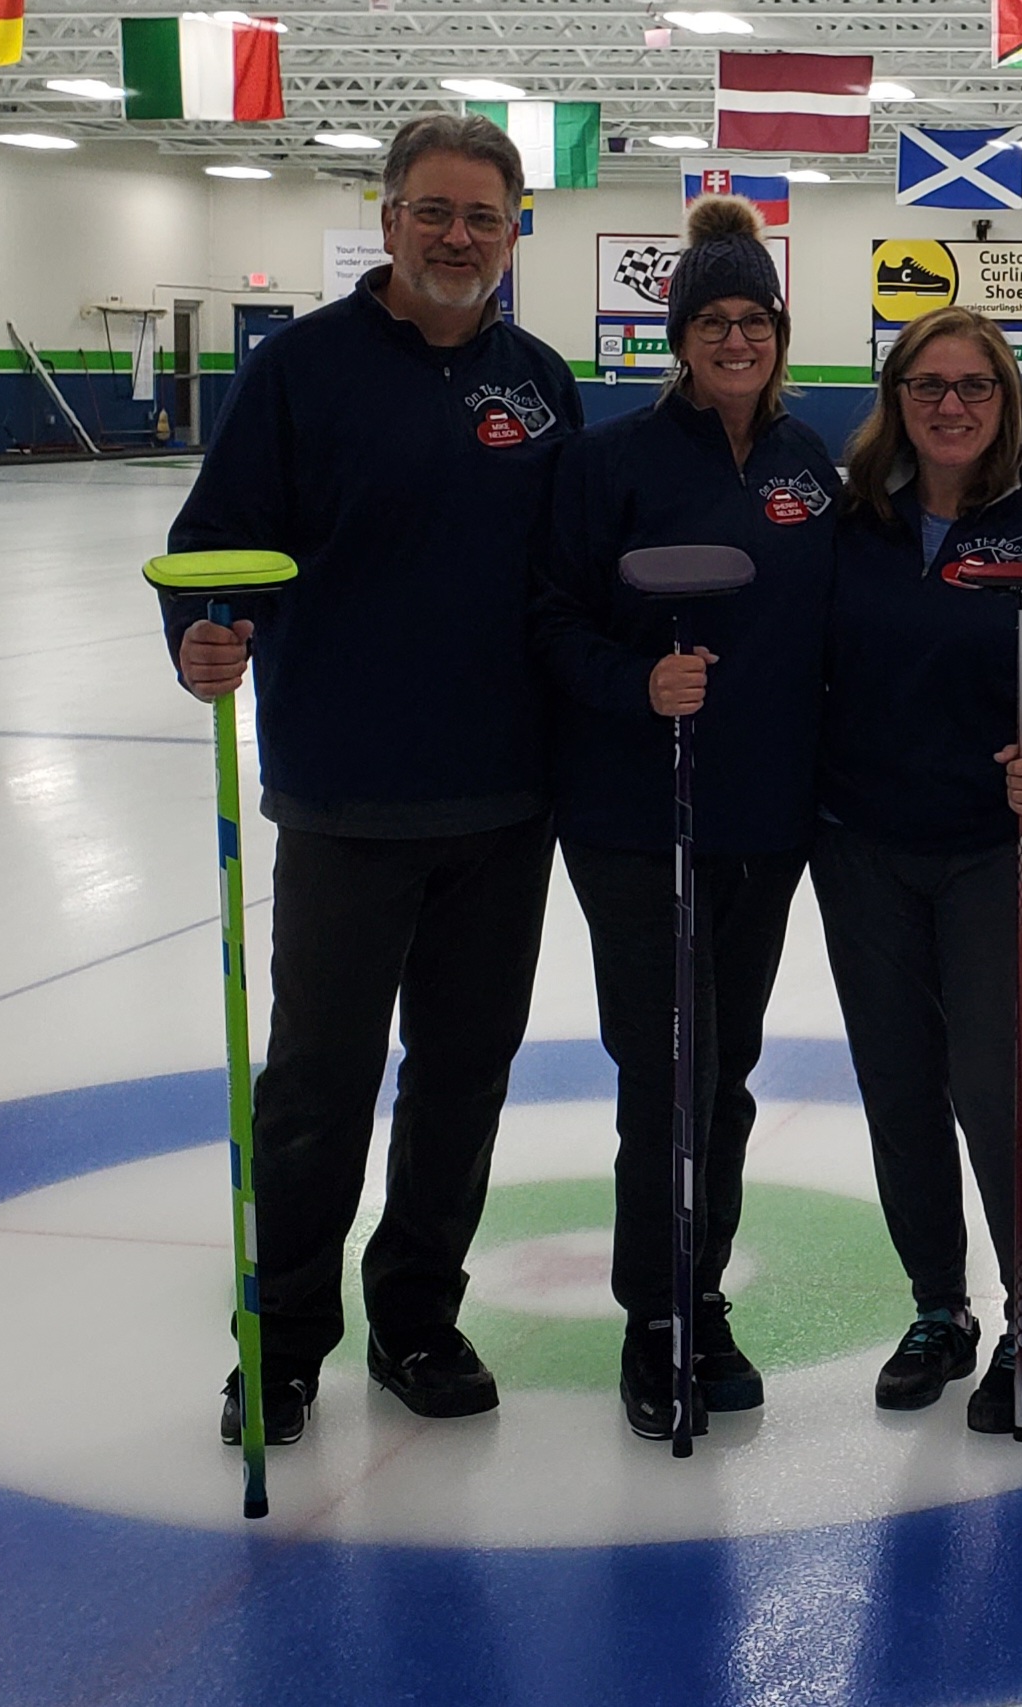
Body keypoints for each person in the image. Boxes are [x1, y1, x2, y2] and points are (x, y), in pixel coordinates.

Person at [156, 113, 581, 1444]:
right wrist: (202, 630)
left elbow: (565, 577)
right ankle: (281, 1340)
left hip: (506, 801)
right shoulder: (302, 371)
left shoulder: (541, 381)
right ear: (388, 217)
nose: (460, 238)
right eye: (436, 212)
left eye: (486, 218)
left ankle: (416, 1312)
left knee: (463, 1075)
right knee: (318, 1087)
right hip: (346, 796)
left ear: (515, 233)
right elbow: (216, 540)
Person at [534, 196, 838, 1442]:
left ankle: (698, 1293)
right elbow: (549, 619)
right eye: (711, 320)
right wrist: (631, 685)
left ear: (778, 328)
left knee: (729, 1072)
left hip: (765, 819)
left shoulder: (811, 464)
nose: (734, 338)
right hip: (633, 815)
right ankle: (651, 1314)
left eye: (752, 318)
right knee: (666, 1070)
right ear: (678, 334)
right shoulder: (610, 463)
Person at [813, 307, 1022, 1433]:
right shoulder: (851, 520)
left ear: (1005, 399)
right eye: (925, 385)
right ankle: (937, 1308)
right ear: (895, 397)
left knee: (996, 1082)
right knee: (897, 1080)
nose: (949, 406)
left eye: (974, 386)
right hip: (859, 844)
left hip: (995, 851)